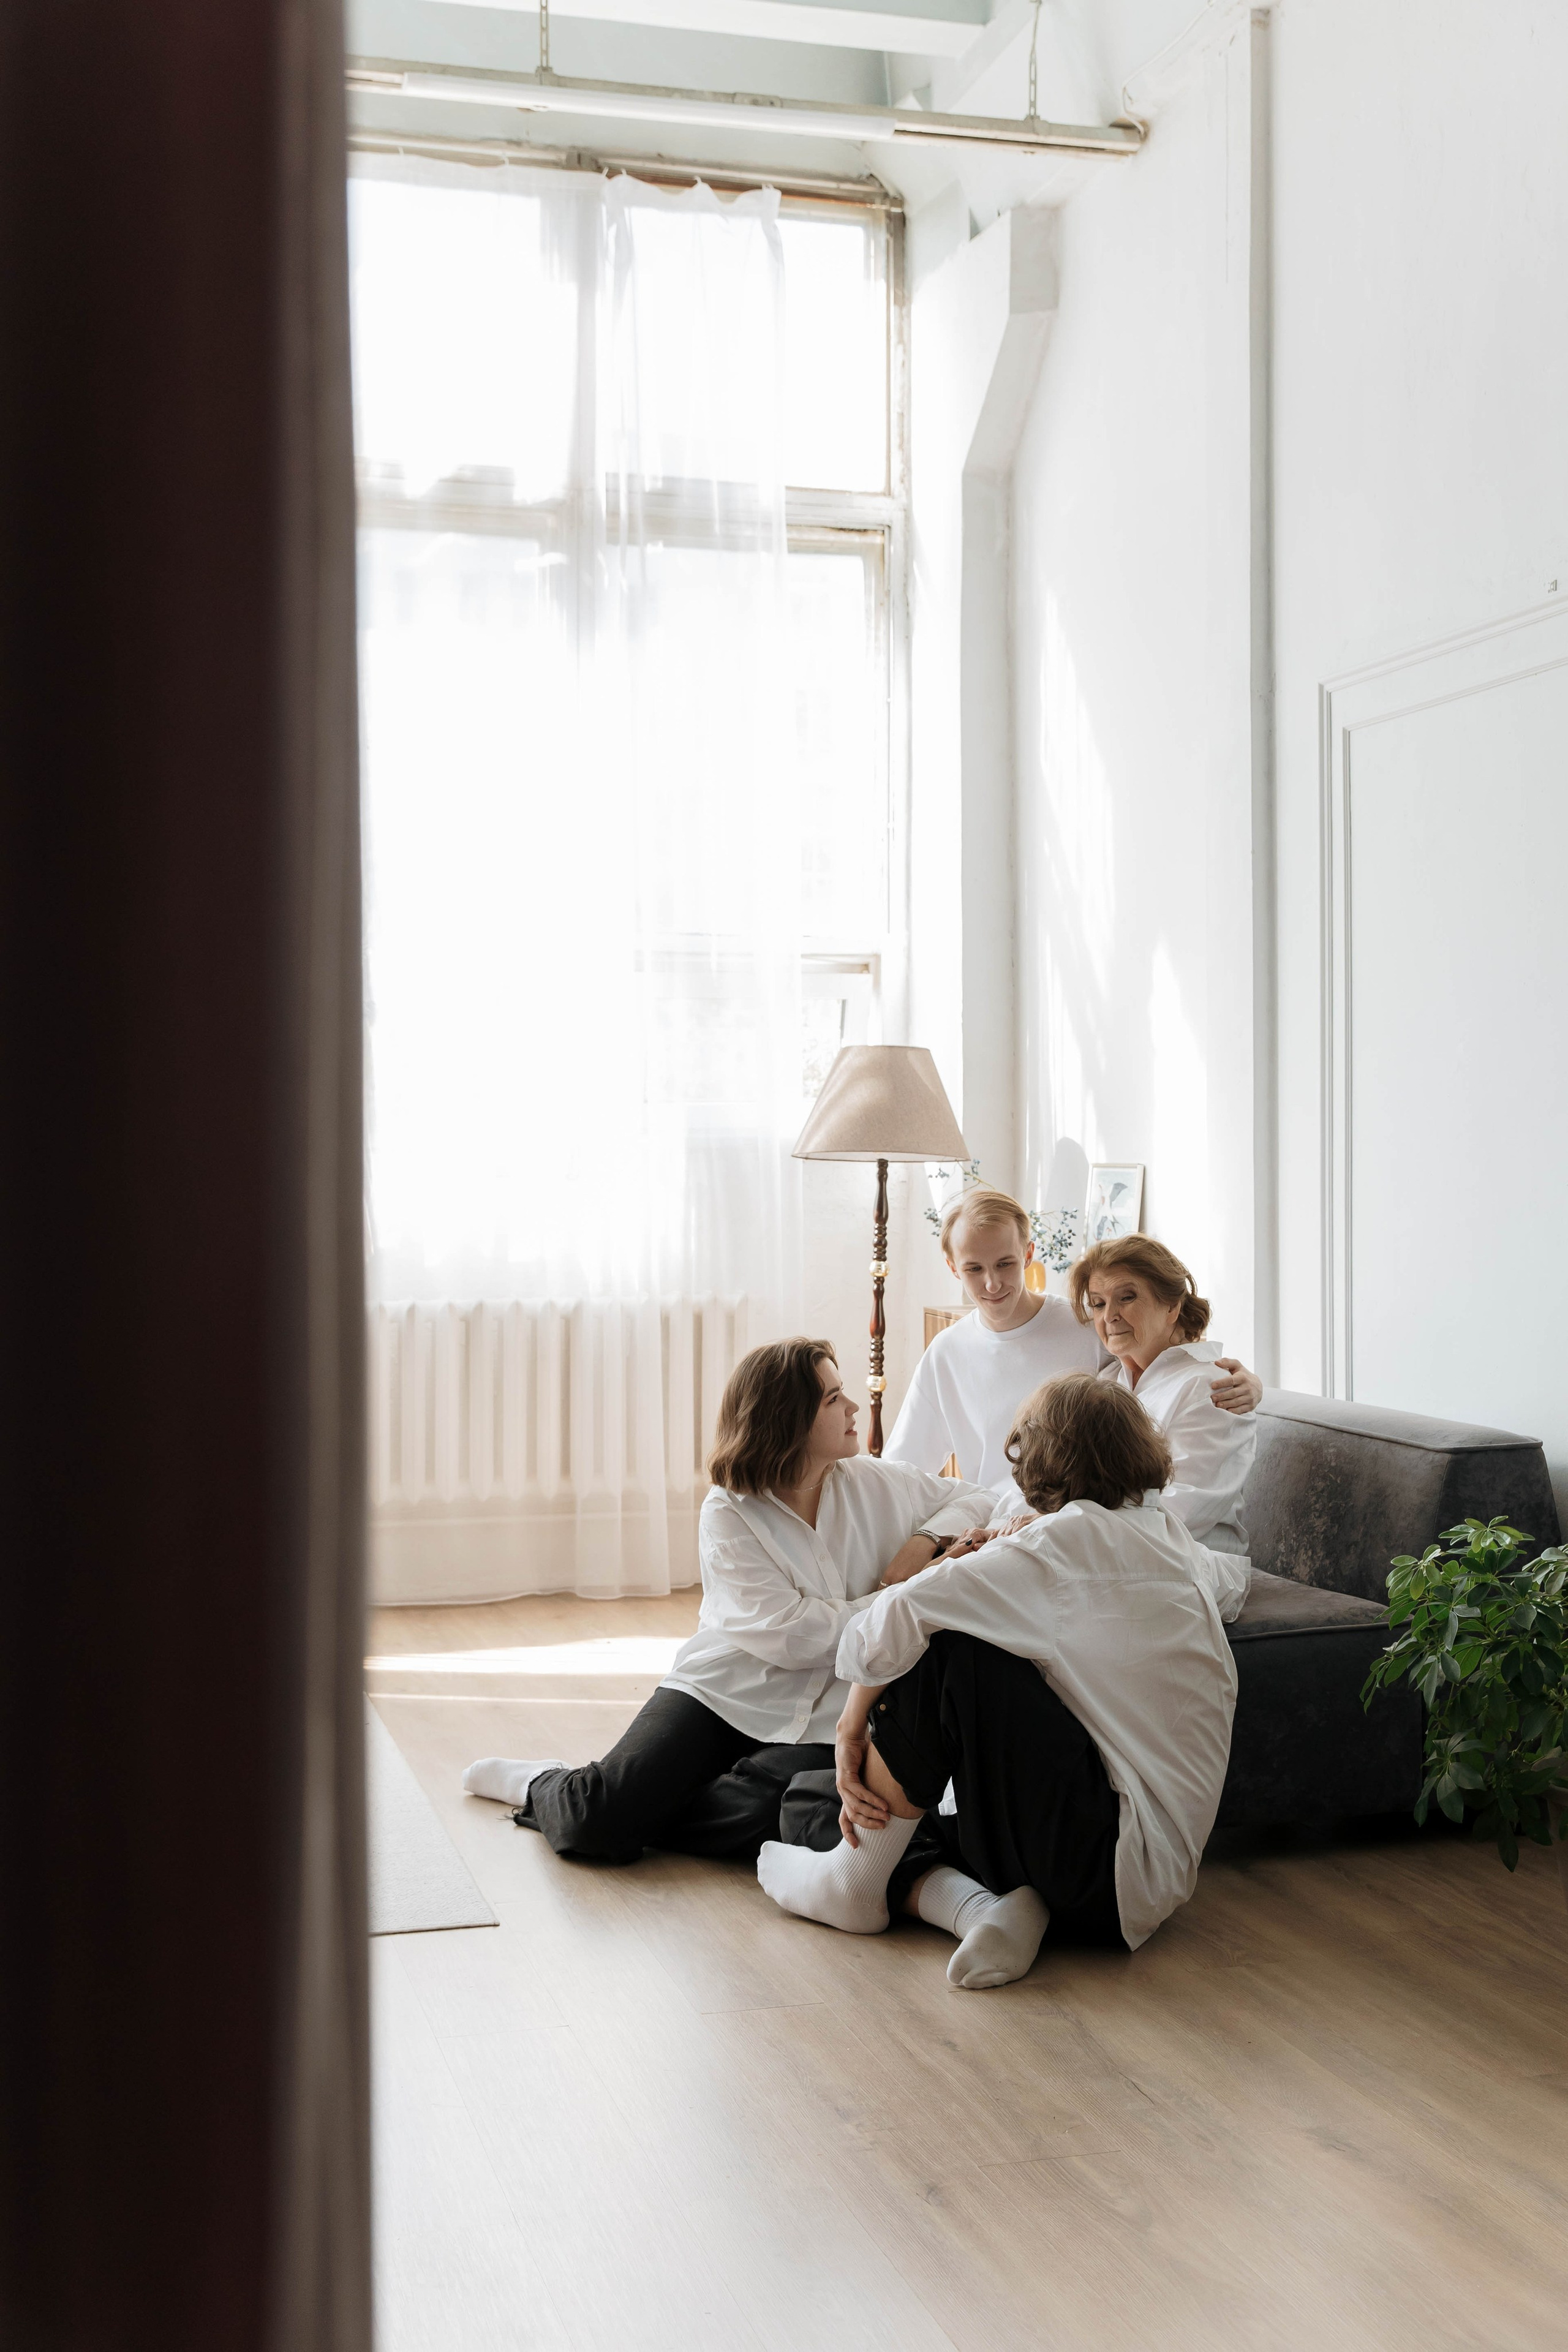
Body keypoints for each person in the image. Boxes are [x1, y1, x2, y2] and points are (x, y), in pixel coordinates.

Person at [757, 1374, 1249, 1988]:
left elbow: (884, 1624)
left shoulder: (1053, 1546)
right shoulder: (1170, 1537)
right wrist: (1007, 1559)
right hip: (1149, 1882)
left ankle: (857, 1887)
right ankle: (985, 1910)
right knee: (814, 1797)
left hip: (1095, 1863)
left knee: (951, 1648)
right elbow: (1236, 1581)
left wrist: (850, 1724)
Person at [461, 1338, 995, 1864]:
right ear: (789, 1420)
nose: (853, 1407)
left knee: (777, 1807)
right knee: (597, 1822)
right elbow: (795, 1635)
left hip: (827, 1713)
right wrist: (905, 1598)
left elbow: (984, 1498)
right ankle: (545, 1783)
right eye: (833, 1399)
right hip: (727, 1692)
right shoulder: (729, 1513)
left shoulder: (878, 1482)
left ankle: (650, 1803)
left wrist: (925, 1541)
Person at [883, 1185, 1261, 1501]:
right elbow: (902, 1470)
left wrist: (1251, 1383)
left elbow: (1170, 1356)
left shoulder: (1089, 1327)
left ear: (1028, 1255)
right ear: (953, 1267)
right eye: (974, 1269)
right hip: (998, 1520)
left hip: (1066, 1521)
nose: (992, 1284)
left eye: (1005, 1264)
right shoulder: (946, 1353)